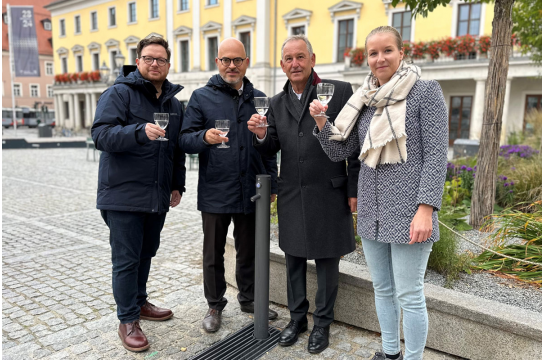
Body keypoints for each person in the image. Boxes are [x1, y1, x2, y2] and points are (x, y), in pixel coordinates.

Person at [310, 26, 448, 360]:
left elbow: (436, 155)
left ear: (402, 53)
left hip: (410, 212)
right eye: (373, 53)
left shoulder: (425, 92)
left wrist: (426, 209)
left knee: (410, 294)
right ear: (367, 59)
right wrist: (321, 124)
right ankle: (389, 353)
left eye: (387, 50)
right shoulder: (366, 100)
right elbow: (342, 152)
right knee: (383, 288)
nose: (379, 58)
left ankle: (413, 358)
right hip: (372, 211)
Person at [247, 35, 359, 354]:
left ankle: (322, 323)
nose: (294, 63)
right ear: (282, 65)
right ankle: (298, 318)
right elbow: (273, 146)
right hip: (292, 193)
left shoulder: (339, 92)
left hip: (329, 192)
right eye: (288, 59)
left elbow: (355, 146)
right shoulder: (276, 102)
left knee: (326, 262)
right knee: (293, 258)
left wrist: (354, 191)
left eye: (300, 57)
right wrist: (260, 136)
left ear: (312, 59)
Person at [91, 36, 185, 352]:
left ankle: (140, 302)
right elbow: (101, 135)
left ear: (168, 64)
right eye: (148, 58)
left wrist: (177, 184)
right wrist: (138, 132)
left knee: (146, 254)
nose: (154, 63)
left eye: (160, 59)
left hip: (156, 195)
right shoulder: (119, 93)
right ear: (139, 61)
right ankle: (128, 319)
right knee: (127, 260)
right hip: (123, 195)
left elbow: (176, 149)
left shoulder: (173, 103)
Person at [180, 38, 278, 333]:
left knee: (249, 249)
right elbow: (184, 139)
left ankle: (248, 298)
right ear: (217, 62)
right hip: (215, 189)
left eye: (237, 60)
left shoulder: (260, 98)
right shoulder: (200, 97)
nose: (232, 65)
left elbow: (269, 145)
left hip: (251, 188)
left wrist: (271, 183)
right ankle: (214, 304)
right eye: (226, 60)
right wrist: (203, 138)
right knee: (213, 252)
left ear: (246, 62)